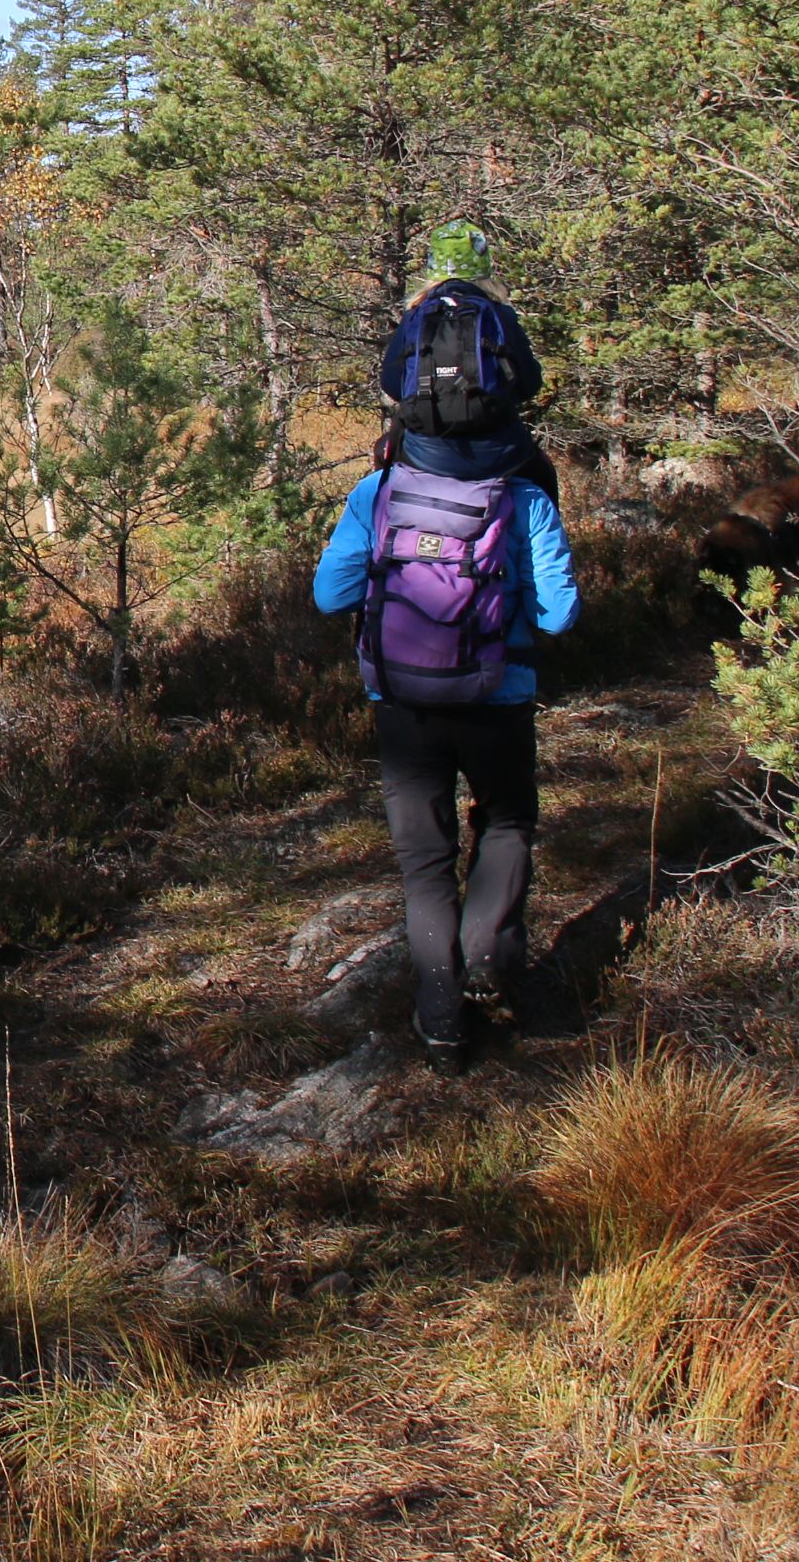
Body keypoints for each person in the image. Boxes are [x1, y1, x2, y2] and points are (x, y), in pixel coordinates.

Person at [313, 223, 581, 1071]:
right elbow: (565, 615)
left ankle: (438, 1019)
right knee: (505, 823)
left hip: (403, 701)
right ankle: (490, 964)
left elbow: (328, 594)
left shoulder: (379, 489)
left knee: (424, 862)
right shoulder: (525, 493)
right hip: (498, 696)